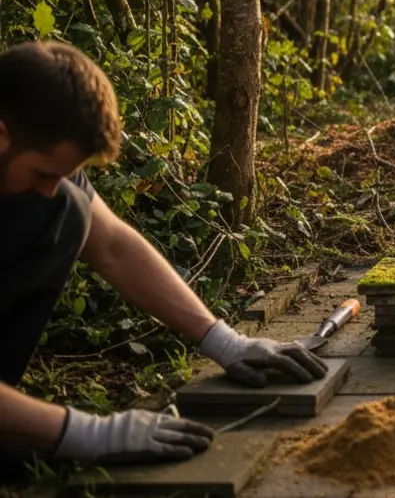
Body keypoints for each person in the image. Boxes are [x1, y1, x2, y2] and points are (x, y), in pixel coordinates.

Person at [0, 41, 328, 484]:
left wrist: (223, 341)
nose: (48, 190)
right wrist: (87, 434)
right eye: (43, 173)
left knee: (70, 208)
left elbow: (113, 245)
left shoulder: (37, 170)